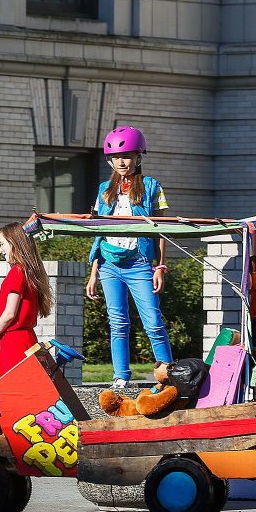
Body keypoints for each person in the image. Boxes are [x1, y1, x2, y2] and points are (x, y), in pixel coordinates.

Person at [85, 126, 173, 389]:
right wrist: (93, 272)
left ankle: (169, 373)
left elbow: (161, 230)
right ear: (109, 160)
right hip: (109, 264)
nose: (121, 162)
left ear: (138, 157)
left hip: (139, 263)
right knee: (117, 322)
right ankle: (120, 376)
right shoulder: (104, 189)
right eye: (116, 157)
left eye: (127, 156)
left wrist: (160, 266)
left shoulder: (151, 186)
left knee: (153, 321)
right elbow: (99, 232)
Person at [0, 222, 54, 378]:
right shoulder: (29, 273)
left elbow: (10, 313)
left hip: (14, 343)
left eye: (3, 244)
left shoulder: (16, 273)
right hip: (26, 340)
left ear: (14, 244)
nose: (0, 250)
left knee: (0, 394)